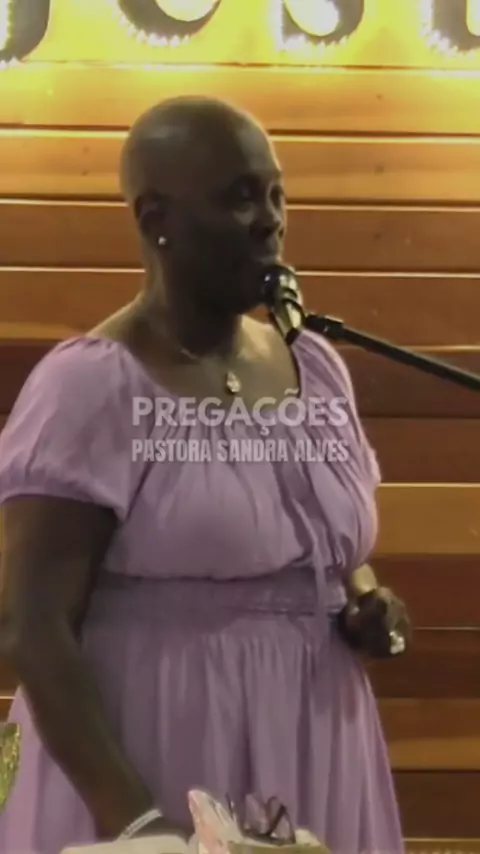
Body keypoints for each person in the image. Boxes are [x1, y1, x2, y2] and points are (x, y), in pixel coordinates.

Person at [0, 96, 410, 854]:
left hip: (316, 734)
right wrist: (137, 825)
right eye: (240, 198)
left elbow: (328, 543)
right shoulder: (91, 386)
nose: (270, 220)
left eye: (277, 195)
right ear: (156, 217)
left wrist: (365, 599)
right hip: (156, 748)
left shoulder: (316, 367)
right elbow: (30, 624)